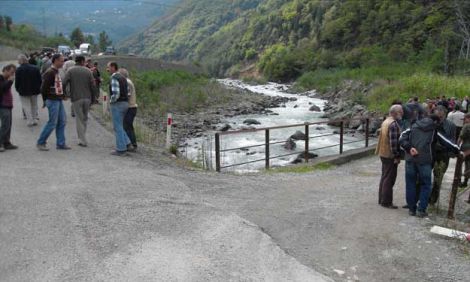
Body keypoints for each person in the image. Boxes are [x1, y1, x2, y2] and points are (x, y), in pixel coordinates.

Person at [399, 114, 461, 217]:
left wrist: (409, 148)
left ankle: (411, 209)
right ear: (436, 121)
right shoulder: (434, 129)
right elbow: (447, 143)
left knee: (410, 184)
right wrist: (457, 150)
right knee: (426, 185)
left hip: (410, 159)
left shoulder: (413, 126)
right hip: (425, 161)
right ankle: (421, 210)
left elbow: (401, 138)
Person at [37, 54, 70, 151]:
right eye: (61, 61)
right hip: (52, 100)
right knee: (52, 122)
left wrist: (62, 96)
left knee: (62, 121)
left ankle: (60, 143)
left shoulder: (56, 71)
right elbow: (43, 88)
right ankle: (41, 142)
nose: (62, 63)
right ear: (55, 61)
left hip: (57, 100)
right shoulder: (50, 72)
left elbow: (57, 86)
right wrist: (45, 100)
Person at [62, 55, 97, 147]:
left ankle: (82, 140)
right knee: (84, 118)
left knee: (79, 118)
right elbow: (93, 86)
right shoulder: (88, 71)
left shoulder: (70, 71)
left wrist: (64, 94)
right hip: (87, 98)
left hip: (76, 97)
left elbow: (64, 82)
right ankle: (83, 136)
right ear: (82, 61)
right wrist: (94, 98)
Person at [376, 105, 403, 209]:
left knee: (384, 176)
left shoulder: (386, 121)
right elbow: (393, 143)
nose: (402, 113)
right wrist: (397, 155)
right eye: (401, 112)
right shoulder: (393, 124)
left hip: (383, 153)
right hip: (389, 155)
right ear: (395, 113)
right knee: (389, 178)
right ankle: (386, 202)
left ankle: (382, 199)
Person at [429, 106, 456, 206]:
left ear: (445, 113)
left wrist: (450, 153)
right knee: (425, 176)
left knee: (438, 178)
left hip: (443, 154)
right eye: (437, 111)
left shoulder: (451, 125)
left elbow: (453, 140)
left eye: (440, 111)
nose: (439, 113)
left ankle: (432, 199)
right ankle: (422, 197)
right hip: (430, 152)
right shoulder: (431, 123)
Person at [107, 61, 133, 156]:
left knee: (117, 127)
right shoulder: (123, 77)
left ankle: (121, 149)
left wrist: (111, 101)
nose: (107, 69)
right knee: (120, 126)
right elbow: (128, 92)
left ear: (113, 67)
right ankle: (127, 143)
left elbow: (116, 93)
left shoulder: (114, 78)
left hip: (118, 104)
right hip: (125, 103)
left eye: (108, 67)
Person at [15, 54, 42, 127]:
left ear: (21, 60)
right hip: (34, 90)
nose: (18, 62)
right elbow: (40, 80)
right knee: (34, 105)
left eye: (18, 60)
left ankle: (30, 121)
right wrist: (39, 88)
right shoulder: (35, 68)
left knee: (26, 106)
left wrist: (17, 89)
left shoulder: (18, 69)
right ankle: (35, 119)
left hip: (23, 91)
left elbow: (17, 81)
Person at [0, 64, 18, 152]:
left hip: (8, 105)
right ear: (5, 70)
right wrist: (10, 81)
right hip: (3, 105)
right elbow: (2, 88)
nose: (12, 75)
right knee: (5, 125)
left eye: (13, 73)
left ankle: (6, 142)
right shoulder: (1, 78)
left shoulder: (6, 79)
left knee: (8, 125)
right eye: (11, 73)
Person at [119, 68, 138, 150]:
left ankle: (132, 144)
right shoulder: (128, 81)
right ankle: (131, 143)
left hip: (130, 107)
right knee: (128, 126)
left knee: (127, 126)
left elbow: (128, 95)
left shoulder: (126, 82)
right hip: (132, 107)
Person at [459, 114, 470, 189]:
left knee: (459, 164)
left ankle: (458, 180)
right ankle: (466, 181)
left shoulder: (466, 126)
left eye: (465, 119)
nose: (464, 121)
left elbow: (461, 136)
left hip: (465, 148)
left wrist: (456, 146)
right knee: (468, 165)